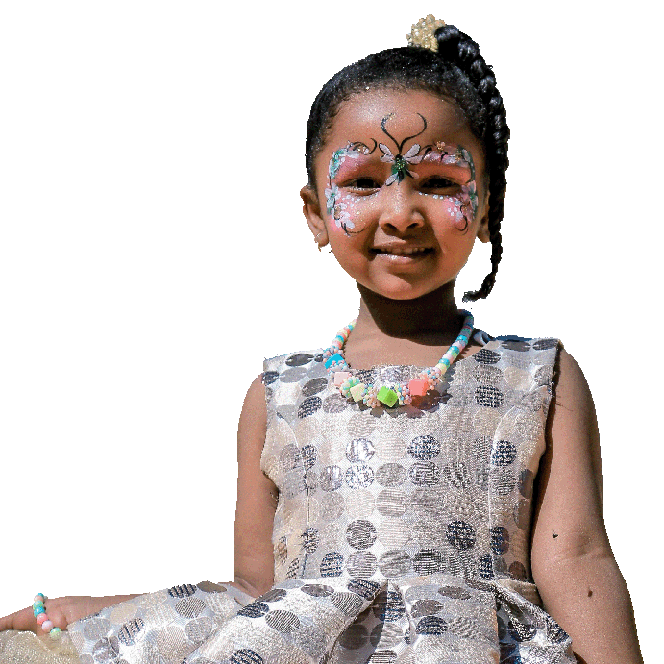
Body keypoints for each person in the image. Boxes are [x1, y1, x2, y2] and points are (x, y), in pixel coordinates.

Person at [0, 16, 644, 664]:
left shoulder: (536, 380)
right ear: (315, 213)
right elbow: (254, 591)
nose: (400, 211)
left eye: (440, 182)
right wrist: (90, 615)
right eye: (363, 181)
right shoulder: (277, 397)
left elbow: (578, 558)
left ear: (485, 209)